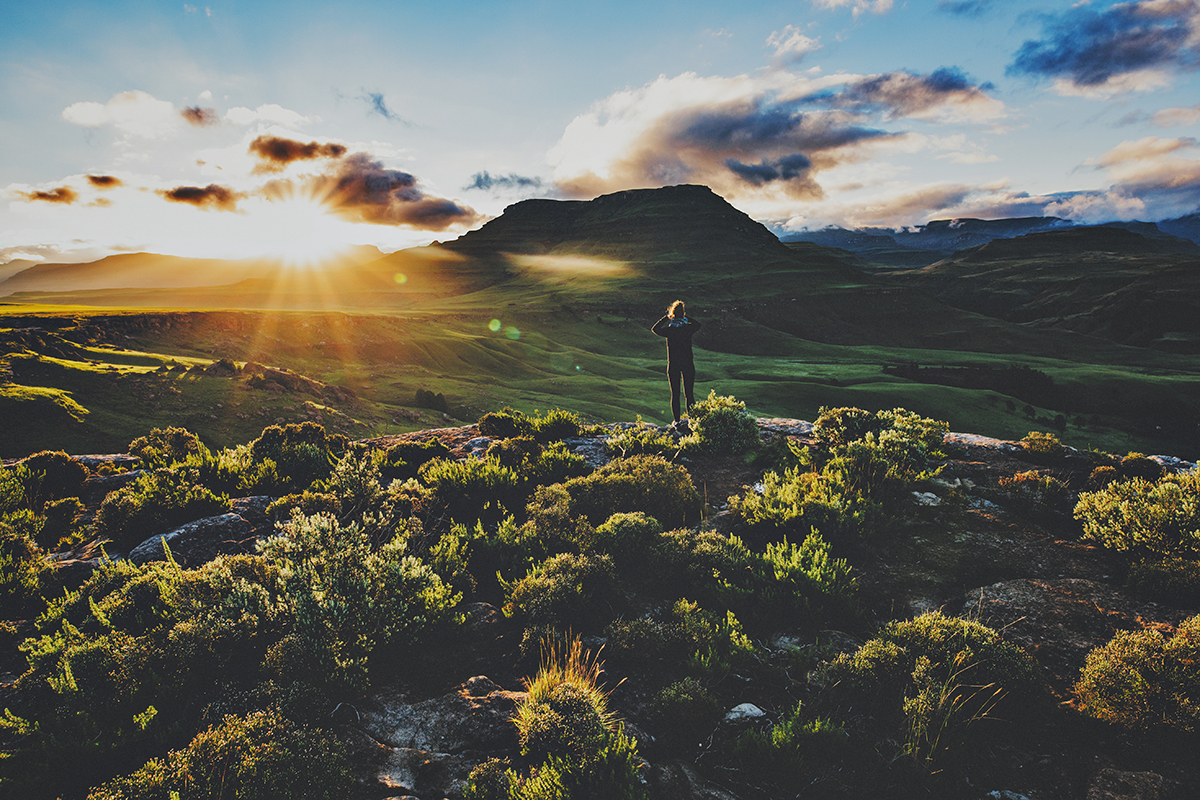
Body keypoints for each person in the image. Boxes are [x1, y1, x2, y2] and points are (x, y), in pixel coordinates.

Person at [651, 300, 701, 428]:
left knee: (675, 394)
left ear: (672, 314)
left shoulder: (670, 330)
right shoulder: (688, 328)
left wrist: (667, 318)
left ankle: (677, 421)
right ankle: (692, 421)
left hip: (674, 364)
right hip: (688, 363)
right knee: (689, 393)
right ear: (683, 313)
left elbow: (655, 329)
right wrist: (685, 317)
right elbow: (698, 324)